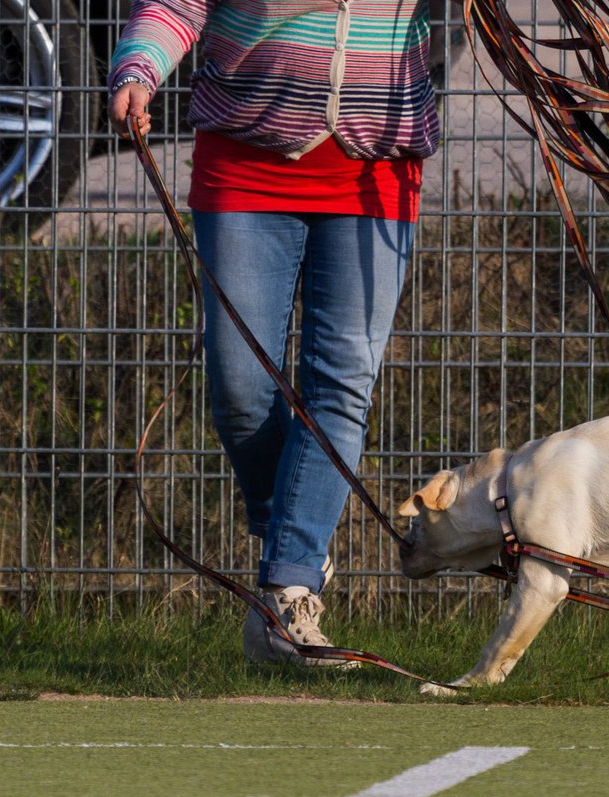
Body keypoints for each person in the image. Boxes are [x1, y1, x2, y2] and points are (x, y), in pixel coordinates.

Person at [108, 0, 455, 665]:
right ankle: (289, 550)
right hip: (244, 164)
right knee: (240, 386)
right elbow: (178, 6)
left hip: (376, 171)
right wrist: (139, 67)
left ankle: (289, 585)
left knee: (342, 382)